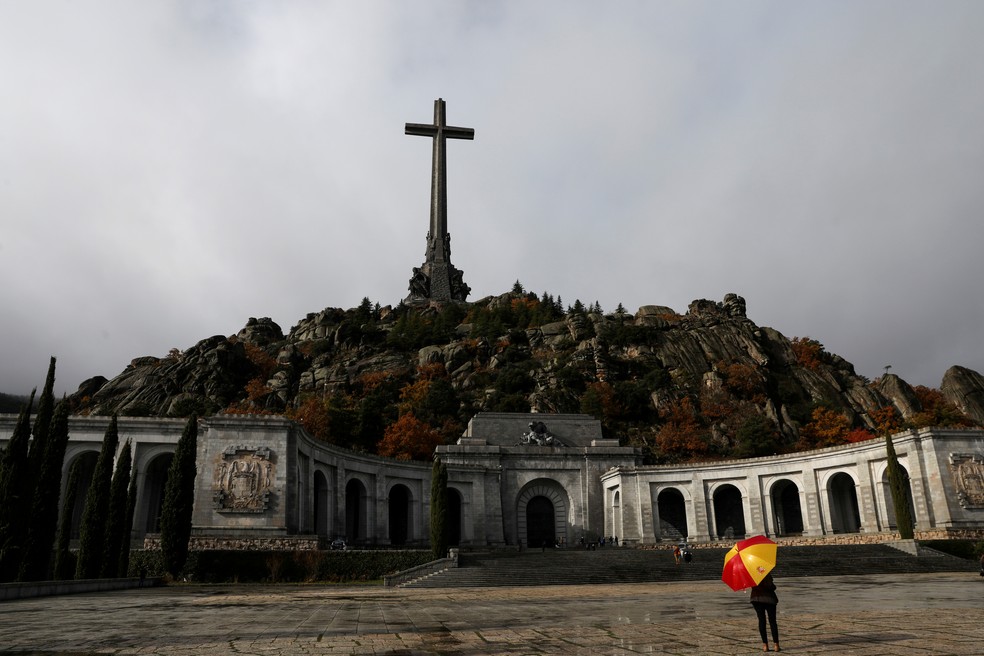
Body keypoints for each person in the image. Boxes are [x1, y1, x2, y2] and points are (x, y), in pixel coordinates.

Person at [749, 573, 780, 652]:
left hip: (756, 599)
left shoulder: (752, 574)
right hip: (769, 599)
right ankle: (776, 645)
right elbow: (770, 586)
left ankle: (765, 645)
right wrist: (774, 586)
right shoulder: (765, 573)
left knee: (762, 621)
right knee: (772, 621)